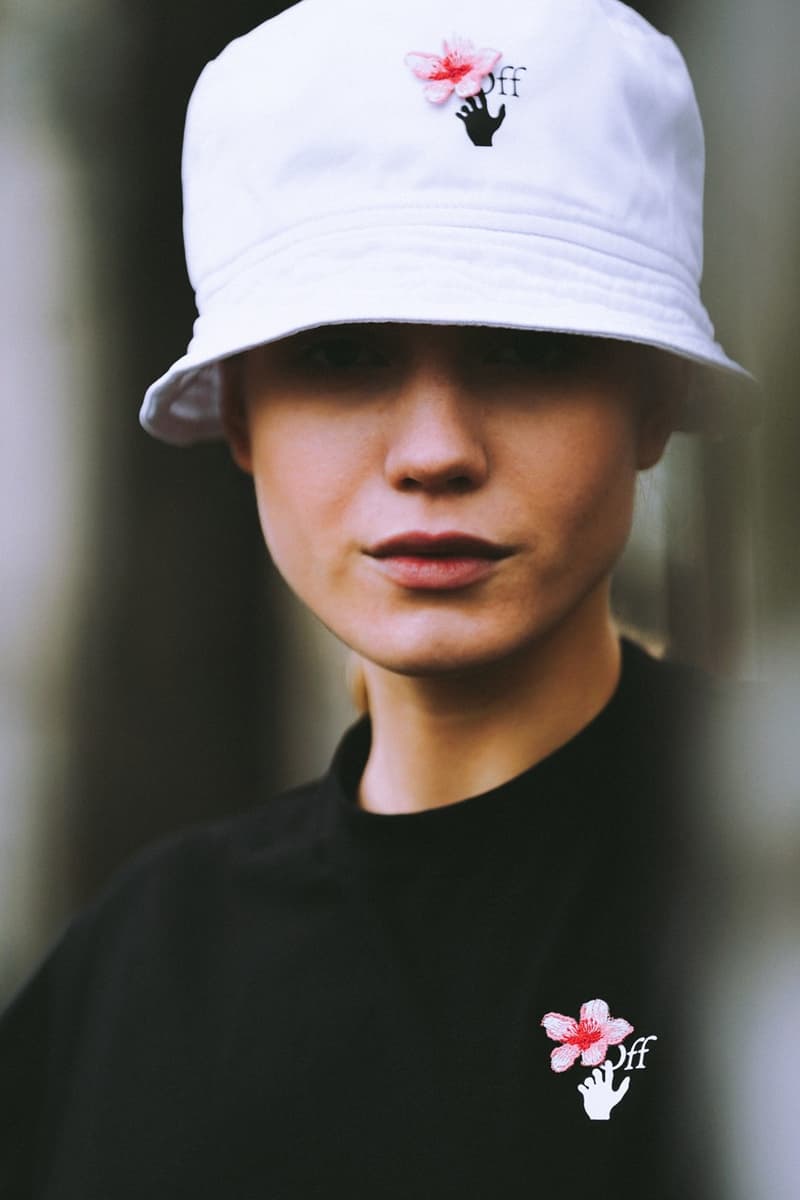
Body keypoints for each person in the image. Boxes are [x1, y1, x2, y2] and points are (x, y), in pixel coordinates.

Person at [0, 0, 762, 1196]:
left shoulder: (764, 880)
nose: (434, 450)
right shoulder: (137, 973)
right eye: (342, 353)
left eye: (525, 346)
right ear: (239, 411)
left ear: (651, 400)